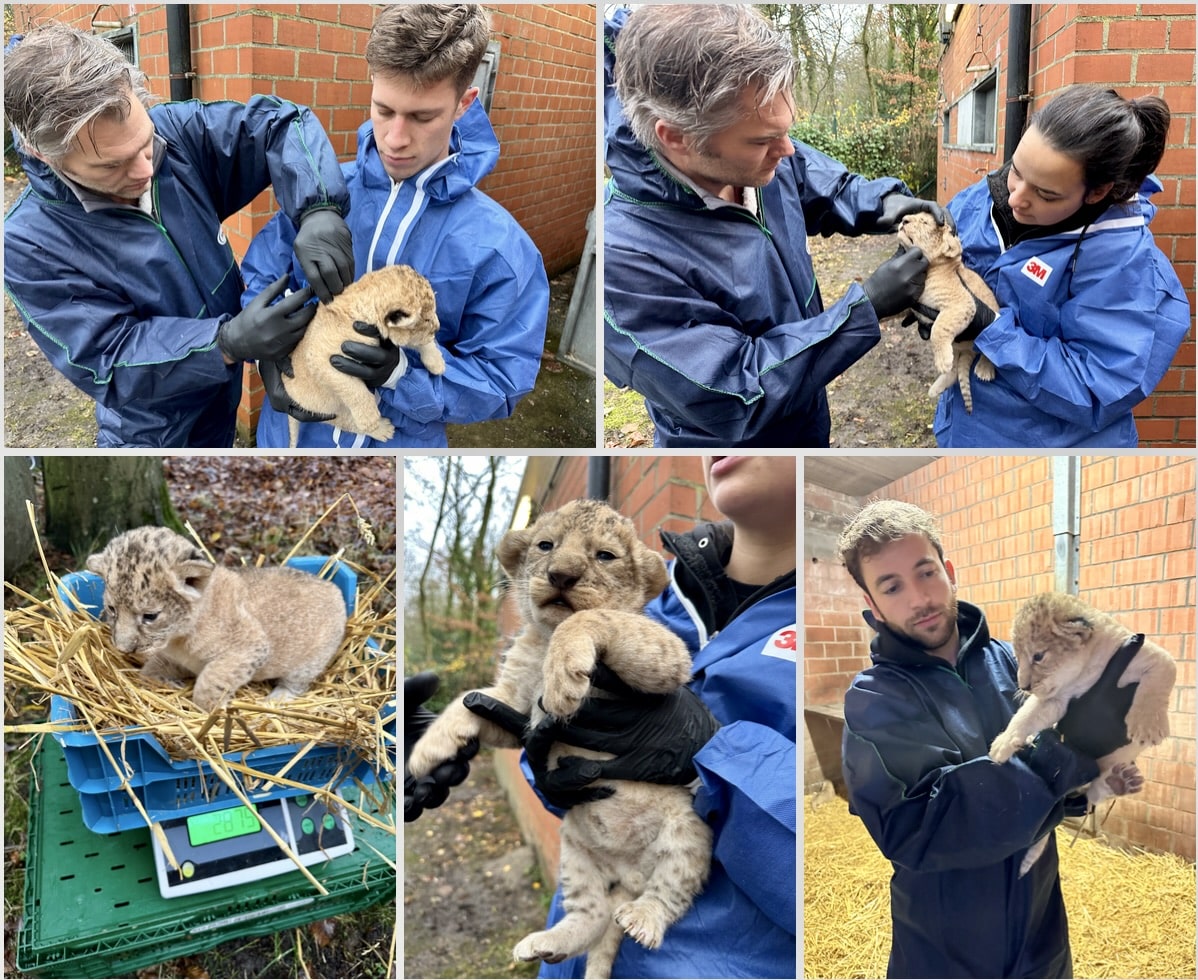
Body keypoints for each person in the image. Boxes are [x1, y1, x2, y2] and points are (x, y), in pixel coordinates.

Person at [465, 455, 798, 978]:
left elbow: (829, 860)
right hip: (576, 945)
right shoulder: (650, 595)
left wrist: (709, 756)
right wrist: (468, 735)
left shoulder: (828, 620)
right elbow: (566, 770)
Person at [603, 5, 949, 448]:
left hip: (805, 414)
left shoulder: (753, 148)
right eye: (764, 140)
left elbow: (813, 180)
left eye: (785, 130)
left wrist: (883, 203)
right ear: (676, 137)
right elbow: (734, 390)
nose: (786, 149)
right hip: (740, 448)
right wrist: (865, 309)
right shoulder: (623, 261)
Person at [3, 23, 355, 448]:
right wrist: (223, 344)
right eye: (112, 165)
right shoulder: (29, 244)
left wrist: (318, 206)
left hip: (221, 401)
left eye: (144, 143)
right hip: (153, 430)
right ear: (44, 154)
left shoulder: (175, 132)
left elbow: (279, 124)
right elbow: (107, 359)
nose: (146, 170)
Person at [837, 499, 1142, 978]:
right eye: (892, 587)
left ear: (949, 572)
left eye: (926, 573)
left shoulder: (1012, 663)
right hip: (944, 954)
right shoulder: (874, 701)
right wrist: (1059, 752)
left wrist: (1095, 757)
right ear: (872, 606)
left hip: (1040, 938)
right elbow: (920, 828)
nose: (919, 598)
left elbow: (1059, 787)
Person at [242, 3, 550, 449]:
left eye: (422, 117)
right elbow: (261, 276)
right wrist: (267, 354)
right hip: (287, 442)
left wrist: (400, 375)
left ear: (464, 104)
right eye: (383, 110)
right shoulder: (320, 197)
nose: (395, 138)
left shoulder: (500, 247)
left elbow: (502, 379)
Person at [934, 85, 1190, 447]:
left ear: (1097, 192)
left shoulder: (1127, 266)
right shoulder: (993, 194)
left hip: (1050, 445)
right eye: (1016, 171)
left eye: (1046, 193)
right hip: (965, 427)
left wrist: (991, 329)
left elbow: (1095, 387)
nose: (1016, 198)